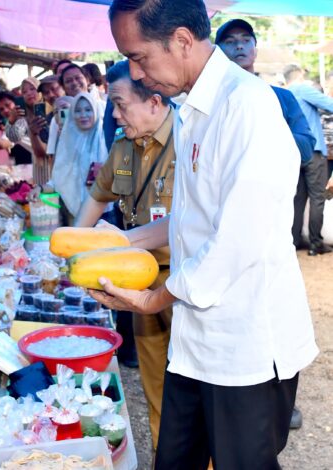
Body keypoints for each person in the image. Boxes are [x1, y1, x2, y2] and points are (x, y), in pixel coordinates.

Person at [102, 1, 318, 468]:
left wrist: (150, 300)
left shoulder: (247, 106)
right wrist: (123, 241)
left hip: (246, 348)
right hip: (196, 338)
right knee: (176, 460)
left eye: (139, 57)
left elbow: (237, 240)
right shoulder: (190, 107)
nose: (136, 75)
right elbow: (191, 219)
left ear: (181, 40)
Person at [216, 18, 318, 431]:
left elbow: (306, 144)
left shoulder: (279, 97)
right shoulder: (209, 102)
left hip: (270, 219)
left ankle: (279, 405)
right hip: (221, 224)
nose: (240, 48)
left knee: (271, 313)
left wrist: (259, 148)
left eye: (246, 41)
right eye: (230, 42)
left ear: (255, 50)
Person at [75, 60, 175, 449]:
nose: (113, 114)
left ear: (153, 101)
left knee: (197, 393)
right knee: (156, 390)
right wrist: (72, 247)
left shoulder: (191, 141)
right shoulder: (123, 146)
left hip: (185, 283)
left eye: (119, 104)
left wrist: (122, 241)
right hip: (139, 281)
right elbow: (97, 199)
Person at [283, 64, 333, 256]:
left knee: (298, 198)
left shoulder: (283, 94)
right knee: (317, 198)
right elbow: (329, 105)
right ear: (300, 76)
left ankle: (294, 241)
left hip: (295, 152)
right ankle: (315, 243)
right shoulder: (302, 89)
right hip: (314, 151)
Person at [50, 92, 108, 222]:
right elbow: (60, 174)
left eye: (88, 110)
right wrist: (42, 188)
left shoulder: (106, 137)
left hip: (106, 212)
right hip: (78, 213)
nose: (83, 115)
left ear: (96, 110)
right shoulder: (68, 139)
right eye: (77, 111)